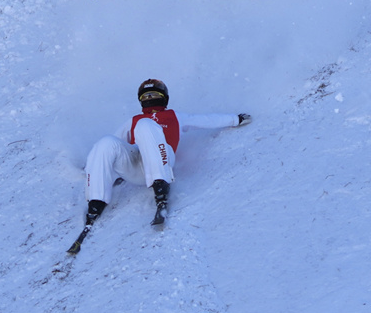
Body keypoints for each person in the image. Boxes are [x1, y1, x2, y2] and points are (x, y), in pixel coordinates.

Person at [83, 78, 251, 228]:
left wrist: (235, 119)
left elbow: (205, 120)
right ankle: (96, 201)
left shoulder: (175, 116)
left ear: (163, 97)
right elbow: (113, 146)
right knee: (106, 141)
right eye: (145, 96)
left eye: (153, 95)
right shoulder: (133, 120)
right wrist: (95, 164)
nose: (149, 99)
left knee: (145, 125)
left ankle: (161, 187)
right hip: (137, 166)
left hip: (163, 161)